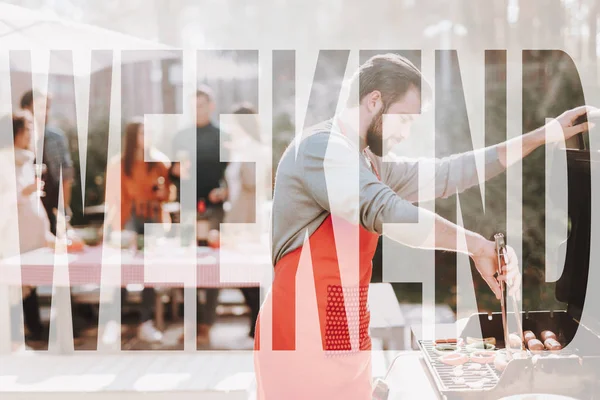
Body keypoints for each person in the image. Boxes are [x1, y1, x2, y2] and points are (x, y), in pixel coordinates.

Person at [254, 53, 594, 399]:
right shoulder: (319, 150)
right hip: (300, 341)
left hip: (348, 338)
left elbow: (450, 172)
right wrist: (476, 245)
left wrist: (541, 136)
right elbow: (388, 212)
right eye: (404, 119)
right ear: (374, 101)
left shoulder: (368, 162)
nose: (406, 132)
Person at [171, 85, 228, 345]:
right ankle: (191, 322)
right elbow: (173, 173)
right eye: (193, 105)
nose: (198, 109)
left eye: (202, 105)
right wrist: (176, 171)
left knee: (212, 266)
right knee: (186, 266)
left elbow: (230, 177)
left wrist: (222, 190)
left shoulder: (222, 136)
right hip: (186, 210)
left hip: (214, 210)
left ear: (211, 106)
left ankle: (207, 323)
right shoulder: (180, 137)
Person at [106, 118, 171, 343]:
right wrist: (118, 228)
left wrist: (162, 192)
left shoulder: (160, 162)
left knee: (149, 273)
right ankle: (114, 322)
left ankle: (146, 321)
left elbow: (168, 195)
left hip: (153, 220)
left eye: (150, 132)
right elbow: (113, 198)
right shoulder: (119, 164)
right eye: (143, 132)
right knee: (122, 271)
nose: (147, 136)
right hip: (128, 221)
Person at [1, 111, 55, 344]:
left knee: (26, 284)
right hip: (13, 236)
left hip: (31, 236)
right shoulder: (5, 162)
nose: (32, 135)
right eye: (28, 129)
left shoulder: (25, 161)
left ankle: (33, 329)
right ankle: (17, 334)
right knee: (15, 284)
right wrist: (25, 192)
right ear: (16, 132)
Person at [224, 103, 267, 338]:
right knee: (241, 273)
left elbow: (251, 182)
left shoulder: (254, 149)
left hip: (248, 218)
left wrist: (242, 155)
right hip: (235, 216)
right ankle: (257, 321)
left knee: (247, 272)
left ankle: (258, 322)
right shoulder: (240, 149)